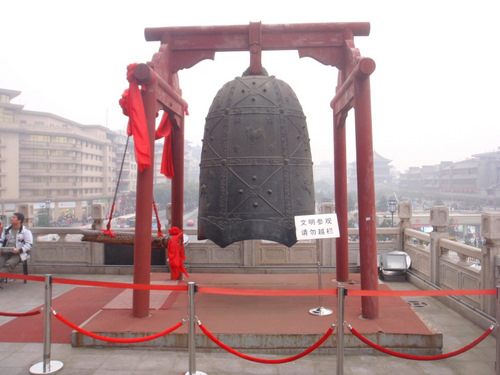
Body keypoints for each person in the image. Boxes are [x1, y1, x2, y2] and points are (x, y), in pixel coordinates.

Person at [0, 212, 33, 285]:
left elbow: (29, 244)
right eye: (11, 217)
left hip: (18, 254)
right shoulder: (7, 230)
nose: (11, 219)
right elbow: (1, 241)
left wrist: (19, 250)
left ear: (19, 220)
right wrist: (1, 249)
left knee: (9, 264)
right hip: (6, 252)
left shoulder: (25, 231)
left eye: (13, 217)